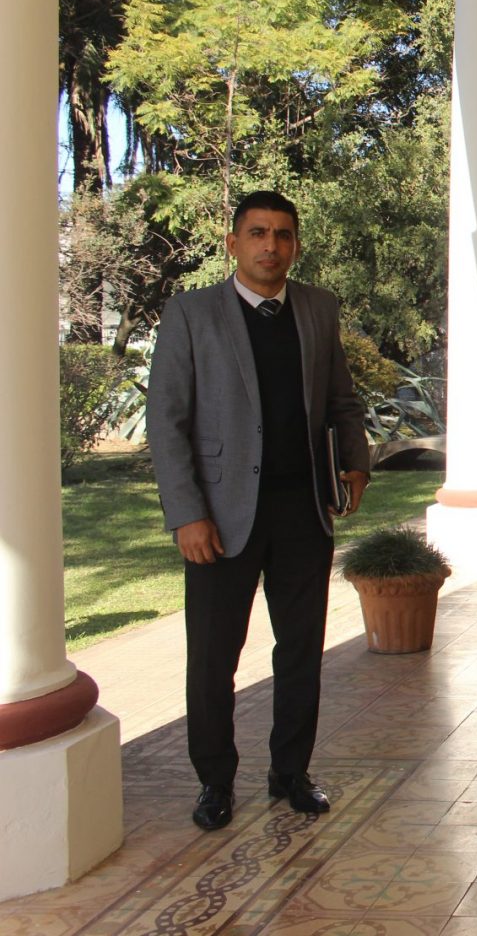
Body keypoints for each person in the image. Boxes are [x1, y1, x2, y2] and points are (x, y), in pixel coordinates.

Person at [149, 189, 370, 831]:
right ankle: (215, 780)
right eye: (257, 233)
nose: (270, 245)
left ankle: (290, 773)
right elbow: (167, 423)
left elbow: (341, 400)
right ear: (233, 243)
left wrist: (355, 464)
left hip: (303, 510)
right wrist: (186, 513)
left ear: (294, 244)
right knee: (215, 656)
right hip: (220, 518)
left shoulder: (317, 309)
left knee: (301, 649)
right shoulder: (192, 314)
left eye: (282, 234)